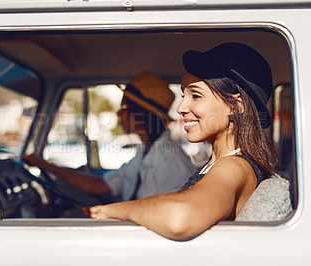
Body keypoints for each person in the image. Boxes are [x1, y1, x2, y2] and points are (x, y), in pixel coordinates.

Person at [88, 42, 277, 240]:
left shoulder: (234, 166)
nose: (180, 108)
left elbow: (180, 216)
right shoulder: (219, 164)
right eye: (183, 95)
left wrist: (107, 211)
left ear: (236, 106)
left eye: (195, 95)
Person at [23, 72, 197, 206]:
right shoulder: (145, 152)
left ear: (139, 113)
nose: (118, 113)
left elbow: (169, 212)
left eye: (123, 107)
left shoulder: (171, 162)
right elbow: (103, 185)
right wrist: (47, 166)